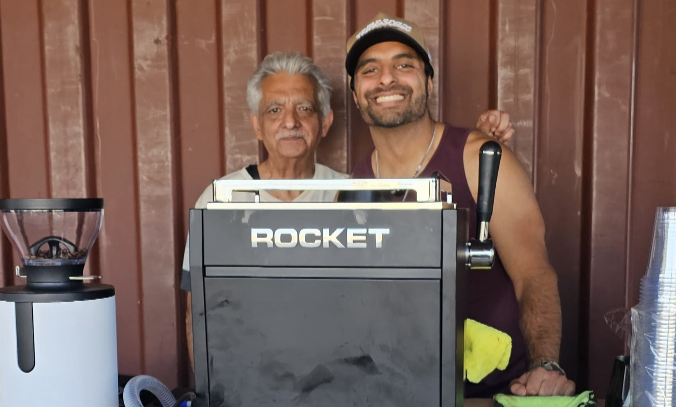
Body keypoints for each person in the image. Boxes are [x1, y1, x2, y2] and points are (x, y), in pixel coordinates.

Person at [181, 51, 516, 359]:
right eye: (274, 110)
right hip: (249, 375)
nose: (290, 121)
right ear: (256, 124)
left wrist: (478, 141)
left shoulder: (351, 193)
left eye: (305, 109)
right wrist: (212, 392)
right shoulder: (220, 199)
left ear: (325, 122)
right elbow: (198, 312)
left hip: (334, 377)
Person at [346, 15, 574, 397]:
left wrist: (544, 367)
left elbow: (533, 275)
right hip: (401, 398)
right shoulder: (355, 185)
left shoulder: (479, 159)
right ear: (355, 94)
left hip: (493, 396)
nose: (386, 79)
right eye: (370, 70)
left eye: (404, 65)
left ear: (429, 83)